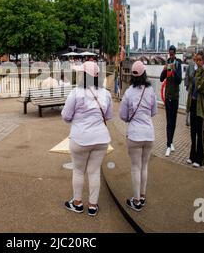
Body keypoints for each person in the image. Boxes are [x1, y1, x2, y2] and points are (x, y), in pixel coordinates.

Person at [61, 61, 113, 217]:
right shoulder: (106, 93)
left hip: (80, 138)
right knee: (94, 171)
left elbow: (66, 116)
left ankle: (77, 203)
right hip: (101, 139)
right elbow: (108, 116)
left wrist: (77, 121)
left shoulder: (76, 93)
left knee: (78, 171)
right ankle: (92, 206)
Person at [120, 61, 157, 212]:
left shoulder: (128, 92)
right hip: (149, 133)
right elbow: (154, 112)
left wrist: (130, 117)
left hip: (135, 134)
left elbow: (123, 115)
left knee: (136, 167)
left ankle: (135, 201)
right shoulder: (151, 90)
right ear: (144, 74)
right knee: (144, 166)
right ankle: (142, 196)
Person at [186, 51, 204, 168]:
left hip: (200, 106)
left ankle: (200, 159)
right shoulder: (196, 72)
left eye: (200, 60)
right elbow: (191, 88)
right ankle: (192, 155)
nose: (198, 62)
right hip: (193, 104)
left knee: (199, 134)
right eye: (197, 60)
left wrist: (197, 73)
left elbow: (199, 86)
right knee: (192, 132)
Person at [160, 45, 182, 157]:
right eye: (170, 53)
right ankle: (168, 145)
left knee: (173, 122)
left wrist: (174, 70)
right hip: (168, 96)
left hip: (175, 97)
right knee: (169, 122)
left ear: (175, 53)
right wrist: (164, 70)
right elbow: (161, 79)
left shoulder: (178, 64)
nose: (171, 55)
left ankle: (171, 142)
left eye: (173, 53)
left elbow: (179, 81)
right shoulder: (167, 63)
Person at [184, 54, 197, 126]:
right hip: (191, 87)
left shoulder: (199, 66)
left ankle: (193, 120)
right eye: (194, 58)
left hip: (196, 88)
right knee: (189, 103)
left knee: (194, 104)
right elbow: (187, 76)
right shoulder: (190, 66)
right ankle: (187, 119)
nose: (195, 60)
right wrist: (187, 85)